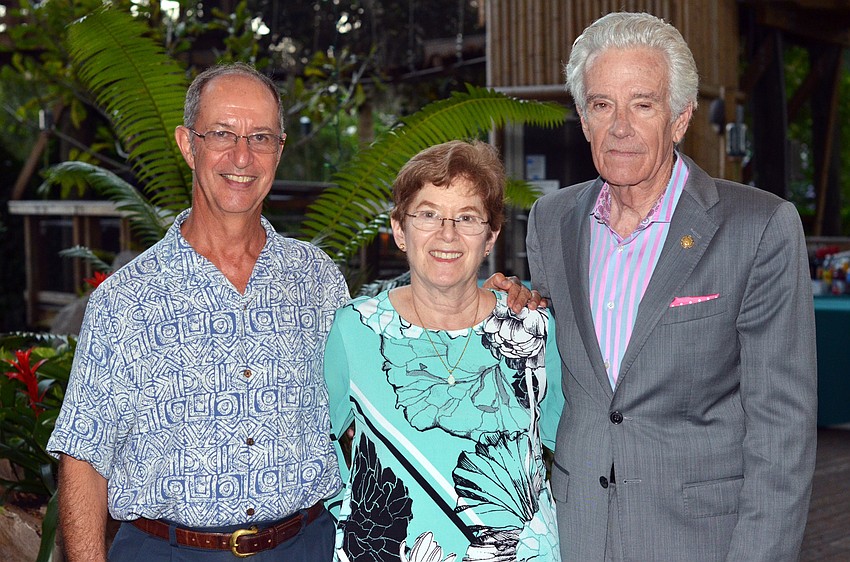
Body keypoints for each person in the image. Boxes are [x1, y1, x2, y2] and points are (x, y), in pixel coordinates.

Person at [47, 63, 538, 561]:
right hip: (169, 550)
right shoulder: (126, 299)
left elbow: (397, 338)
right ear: (186, 143)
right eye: (221, 134)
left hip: (304, 545)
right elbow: (84, 455)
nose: (242, 155)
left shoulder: (317, 279)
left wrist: (491, 299)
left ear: (279, 149)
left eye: (261, 137)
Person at [525, 12, 817, 562]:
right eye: (602, 104)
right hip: (574, 535)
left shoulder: (759, 227)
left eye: (643, 103)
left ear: (680, 119)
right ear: (584, 120)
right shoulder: (551, 221)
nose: (620, 127)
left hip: (699, 541)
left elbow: (783, 432)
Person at [324, 139, 564, 561]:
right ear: (400, 230)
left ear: (490, 236)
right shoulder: (353, 330)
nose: (447, 234)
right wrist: (352, 515)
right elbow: (315, 445)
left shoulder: (535, 330)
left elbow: (574, 447)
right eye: (429, 214)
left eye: (467, 217)